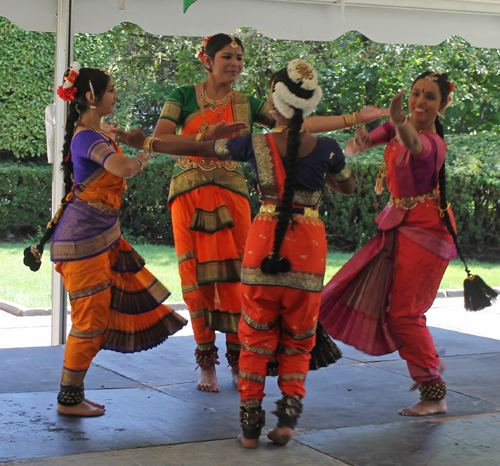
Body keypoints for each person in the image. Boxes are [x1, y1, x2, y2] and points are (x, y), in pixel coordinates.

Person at [115, 59, 356, 448]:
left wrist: (145, 142)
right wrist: (325, 168)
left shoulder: (254, 144)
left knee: (255, 331)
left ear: (274, 107)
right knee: (299, 336)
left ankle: (248, 426)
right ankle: (288, 418)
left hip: (262, 243)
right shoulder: (327, 149)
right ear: (309, 106)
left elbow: (197, 146)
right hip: (307, 249)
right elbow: (346, 187)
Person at [152, 32, 388, 392]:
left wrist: (353, 117)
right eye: (227, 56)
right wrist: (205, 135)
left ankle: (237, 358)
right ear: (207, 60)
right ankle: (206, 361)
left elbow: (294, 122)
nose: (235, 63)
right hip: (188, 193)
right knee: (195, 280)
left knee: (238, 280)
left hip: (232, 196)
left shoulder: (246, 103)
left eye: (240, 58)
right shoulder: (182, 96)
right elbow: (163, 139)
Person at [24, 62, 187, 417]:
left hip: (99, 238)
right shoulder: (86, 137)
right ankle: (69, 400)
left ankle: (73, 395)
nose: (116, 95)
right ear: (91, 96)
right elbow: (124, 168)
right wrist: (147, 150)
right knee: (90, 322)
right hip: (82, 244)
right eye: (111, 90)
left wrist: (125, 139)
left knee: (96, 319)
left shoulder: (94, 133)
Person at [320, 71, 461, 417]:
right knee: (381, 299)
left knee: (404, 312)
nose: (420, 102)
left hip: (427, 231)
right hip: (399, 224)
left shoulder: (432, 143)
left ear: (443, 105)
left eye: (430, 97)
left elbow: (413, 143)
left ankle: (434, 394)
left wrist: (399, 121)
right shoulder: (399, 126)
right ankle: (426, 358)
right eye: (416, 93)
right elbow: (358, 146)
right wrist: (358, 140)